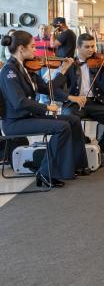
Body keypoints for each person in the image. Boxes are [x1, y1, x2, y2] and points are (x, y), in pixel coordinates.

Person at [0, 30, 89, 187]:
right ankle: (45, 172)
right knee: (62, 127)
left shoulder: (28, 69)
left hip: (28, 117)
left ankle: (76, 165)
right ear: (21, 48)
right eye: (33, 46)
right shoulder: (9, 71)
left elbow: (49, 89)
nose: (36, 50)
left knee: (73, 120)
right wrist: (46, 106)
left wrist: (63, 70)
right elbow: (19, 102)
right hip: (15, 122)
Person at [60, 33, 104, 163]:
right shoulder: (69, 65)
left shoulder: (98, 64)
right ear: (78, 48)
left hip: (95, 102)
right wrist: (72, 97)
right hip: (74, 103)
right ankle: (79, 150)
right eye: (87, 47)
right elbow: (59, 88)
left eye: (93, 46)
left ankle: (102, 150)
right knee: (70, 117)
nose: (91, 50)